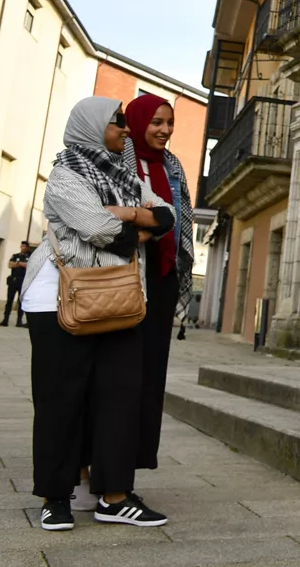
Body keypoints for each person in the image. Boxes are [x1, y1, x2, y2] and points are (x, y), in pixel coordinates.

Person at [22, 97, 173, 530]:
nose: (126, 130)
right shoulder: (65, 176)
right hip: (59, 301)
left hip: (120, 298)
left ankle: (114, 497)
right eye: (117, 122)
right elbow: (96, 228)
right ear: (92, 126)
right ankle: (55, 498)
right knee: (60, 400)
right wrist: (132, 221)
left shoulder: (124, 175)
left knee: (121, 398)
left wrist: (127, 213)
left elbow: (166, 215)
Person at [122, 93, 196, 473]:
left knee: (151, 375)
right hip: (122, 276)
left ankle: (130, 466)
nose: (165, 130)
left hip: (163, 276)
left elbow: (181, 217)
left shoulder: (173, 165)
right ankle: (95, 462)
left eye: (169, 123)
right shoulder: (118, 158)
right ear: (137, 121)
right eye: (156, 123)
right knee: (118, 372)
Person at [0, 241, 32, 327]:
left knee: (21, 302)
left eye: (25, 246)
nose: (23, 247)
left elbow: (29, 265)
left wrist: (18, 264)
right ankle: (5, 319)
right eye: (22, 246)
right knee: (9, 301)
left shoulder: (30, 256)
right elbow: (10, 265)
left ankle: (19, 321)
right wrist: (20, 264)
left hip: (23, 281)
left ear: (28, 248)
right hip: (13, 281)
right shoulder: (15, 255)